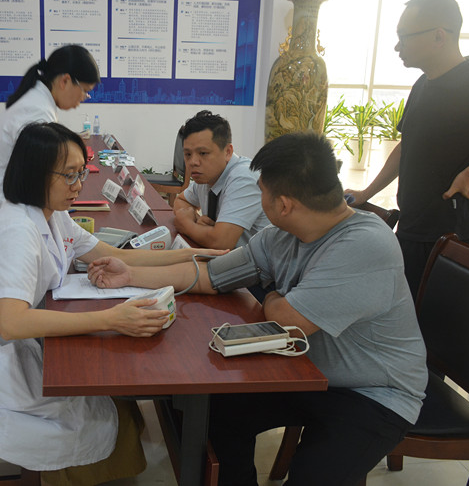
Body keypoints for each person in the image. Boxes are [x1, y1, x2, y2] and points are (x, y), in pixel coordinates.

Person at [88, 132, 428, 486]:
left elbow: (289, 322)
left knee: (312, 476)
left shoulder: (364, 245)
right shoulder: (281, 235)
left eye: (262, 191)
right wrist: (131, 275)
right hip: (305, 373)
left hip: (374, 393)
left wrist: (270, 297)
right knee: (213, 414)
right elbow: (210, 275)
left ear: (283, 205)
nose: (258, 198)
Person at [0, 122, 223, 485]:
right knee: (95, 409)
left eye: (81, 173)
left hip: (18, 345)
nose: (79, 185)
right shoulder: (15, 232)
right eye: (70, 175)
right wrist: (111, 319)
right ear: (34, 173)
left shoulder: (50, 214)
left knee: (107, 398)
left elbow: (119, 255)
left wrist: (193, 255)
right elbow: (11, 323)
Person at [347, 0, 469, 298]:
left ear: (439, 36)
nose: (398, 46)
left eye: (405, 37)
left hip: (449, 236)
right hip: (414, 225)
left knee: (436, 323)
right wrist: (368, 192)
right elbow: (407, 145)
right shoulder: (424, 83)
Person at [0, 45, 100, 296]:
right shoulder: (36, 112)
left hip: (1, 205)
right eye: (85, 91)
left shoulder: (36, 102)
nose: (84, 98)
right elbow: (43, 178)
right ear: (65, 81)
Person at [173, 110, 270, 250]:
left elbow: (221, 242)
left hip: (258, 262)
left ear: (228, 152)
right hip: (227, 257)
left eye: (203, 153)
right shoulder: (206, 175)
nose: (193, 162)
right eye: (188, 154)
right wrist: (196, 221)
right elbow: (181, 200)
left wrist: (186, 225)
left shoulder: (244, 177)